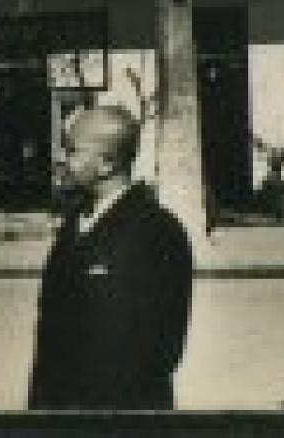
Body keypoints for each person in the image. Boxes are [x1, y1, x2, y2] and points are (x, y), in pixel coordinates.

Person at [28, 105, 193, 411]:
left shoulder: (156, 230)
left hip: (121, 413)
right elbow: (51, 335)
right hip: (61, 412)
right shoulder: (75, 222)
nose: (62, 158)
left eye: (72, 150)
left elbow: (163, 346)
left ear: (106, 163)